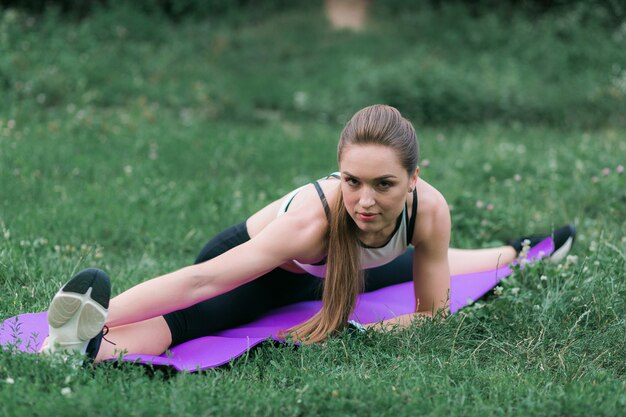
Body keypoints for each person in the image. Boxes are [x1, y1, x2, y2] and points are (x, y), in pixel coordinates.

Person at [40, 104, 576, 362]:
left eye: (385, 184)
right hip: (263, 270)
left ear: (415, 177)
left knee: (408, 261)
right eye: (353, 181)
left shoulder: (428, 210)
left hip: (330, 273)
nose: (366, 200)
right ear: (338, 173)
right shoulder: (312, 220)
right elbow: (200, 280)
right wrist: (112, 308)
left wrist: (364, 332)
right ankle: (81, 342)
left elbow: (432, 308)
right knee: (189, 323)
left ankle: (521, 251)